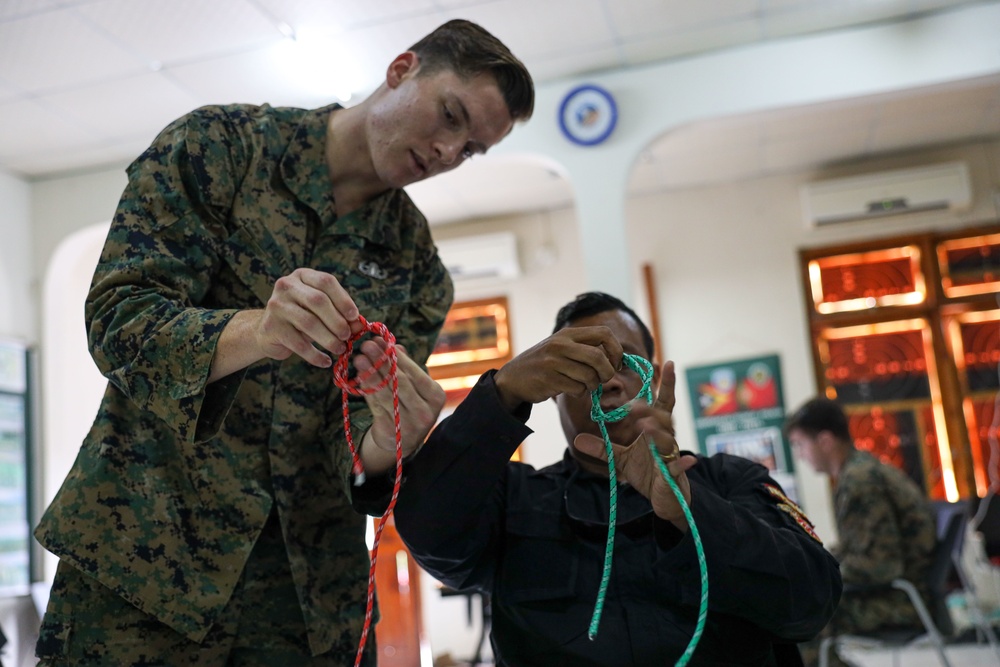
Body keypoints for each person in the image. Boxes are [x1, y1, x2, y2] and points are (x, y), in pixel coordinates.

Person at [33, 19, 534, 666]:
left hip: (307, 609)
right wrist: (256, 331)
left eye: (469, 148)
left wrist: (387, 439)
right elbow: (119, 319)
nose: (445, 150)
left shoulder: (417, 268)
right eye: (449, 114)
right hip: (141, 574)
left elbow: (350, 448)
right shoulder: (220, 148)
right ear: (402, 67)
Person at [393, 292, 842, 666]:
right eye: (583, 369)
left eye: (627, 364)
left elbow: (811, 605)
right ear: (552, 394)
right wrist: (501, 395)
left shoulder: (732, 481)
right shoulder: (514, 498)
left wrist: (691, 512)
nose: (609, 382)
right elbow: (428, 529)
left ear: (656, 373)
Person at [785, 397, 937, 667]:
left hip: (901, 601)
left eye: (800, 445)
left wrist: (818, 575)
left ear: (825, 441)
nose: (799, 455)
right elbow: (859, 550)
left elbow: (882, 565)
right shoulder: (859, 471)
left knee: (797, 616)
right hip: (905, 592)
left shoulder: (860, 481)